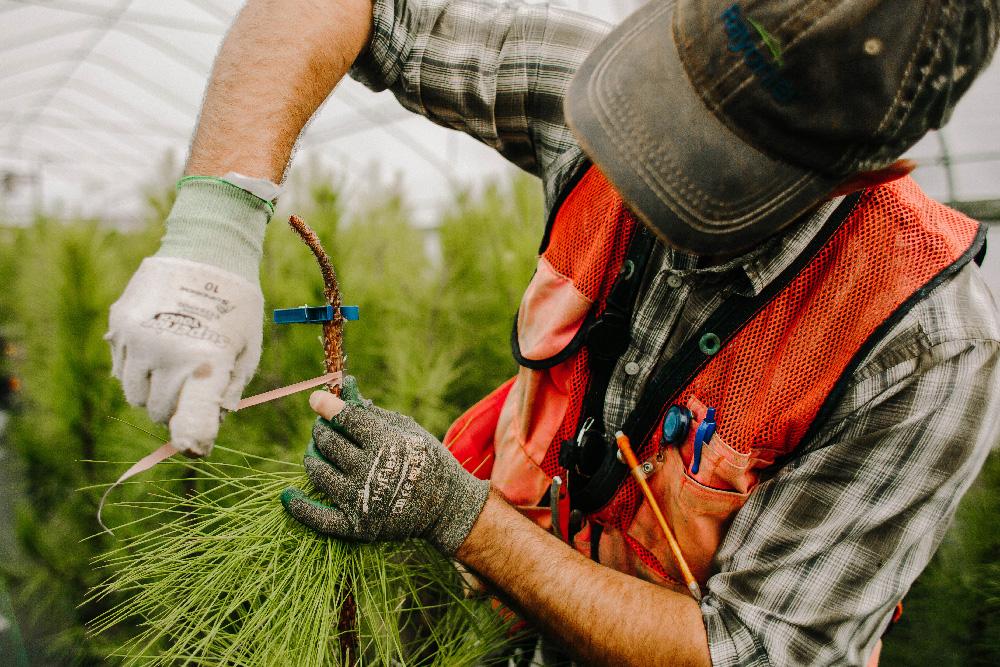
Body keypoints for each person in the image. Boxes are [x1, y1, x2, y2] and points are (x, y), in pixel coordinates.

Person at [104, 0, 1000, 664]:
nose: (658, 172)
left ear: (875, 170)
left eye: (724, 173)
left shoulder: (925, 347)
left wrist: (460, 515)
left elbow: (750, 648)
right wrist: (213, 231)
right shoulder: (594, 74)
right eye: (667, 109)